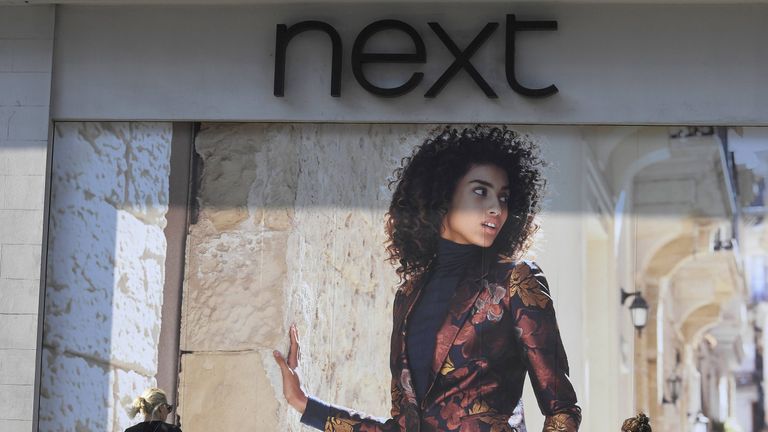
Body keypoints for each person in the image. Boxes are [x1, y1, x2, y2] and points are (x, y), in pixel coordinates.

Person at [274, 125, 581, 431]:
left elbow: (562, 410)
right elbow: (404, 427)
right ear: (443, 195)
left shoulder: (516, 280)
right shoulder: (408, 296)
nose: (495, 208)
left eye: (503, 198)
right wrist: (303, 402)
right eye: (480, 191)